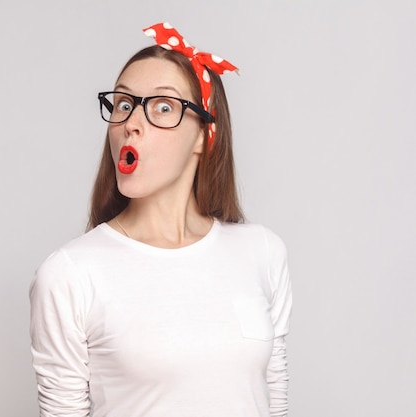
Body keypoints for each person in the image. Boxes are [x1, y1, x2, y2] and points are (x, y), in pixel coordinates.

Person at [29, 22, 292, 417]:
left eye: (163, 107)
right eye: (123, 104)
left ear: (205, 135)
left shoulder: (263, 252)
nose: (132, 122)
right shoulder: (70, 274)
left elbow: (274, 401)